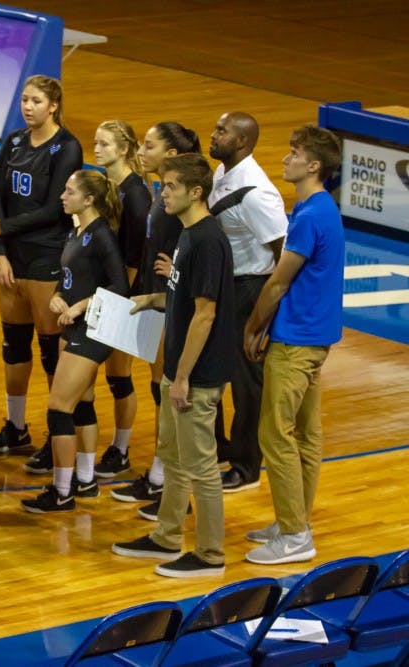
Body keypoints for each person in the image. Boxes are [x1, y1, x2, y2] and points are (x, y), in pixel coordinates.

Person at [111, 154, 234, 578]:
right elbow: (183, 298)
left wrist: (181, 377)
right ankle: (166, 535)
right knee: (174, 458)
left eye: (171, 187)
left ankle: (210, 555)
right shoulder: (186, 234)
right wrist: (151, 299)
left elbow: (206, 314)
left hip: (195, 377)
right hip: (176, 372)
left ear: (195, 192)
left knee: (201, 465)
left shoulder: (207, 240)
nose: (163, 193)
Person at [242, 126, 344, 565]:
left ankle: (295, 535)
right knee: (306, 434)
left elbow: (278, 282)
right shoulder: (321, 209)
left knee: (275, 433)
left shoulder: (307, 217)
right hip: (316, 337)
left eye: (294, 153)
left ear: (314, 165)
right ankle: (293, 520)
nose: (285, 159)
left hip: (296, 340)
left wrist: (251, 328)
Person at [0, 75, 83, 457]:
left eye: (36, 101)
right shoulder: (12, 141)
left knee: (49, 349)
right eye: (24, 100)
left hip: (45, 255)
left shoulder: (66, 148)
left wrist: (2, 228)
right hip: (13, 258)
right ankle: (16, 426)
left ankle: (54, 432)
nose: (28, 107)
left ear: (53, 106)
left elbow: (54, 209)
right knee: (14, 345)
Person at [20, 170, 128, 512]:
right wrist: (56, 296)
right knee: (81, 401)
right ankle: (86, 480)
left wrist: (81, 305)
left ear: (89, 199)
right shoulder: (75, 231)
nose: (62, 196)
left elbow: (119, 287)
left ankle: (62, 491)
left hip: (93, 329)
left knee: (58, 408)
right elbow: (70, 279)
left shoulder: (102, 236)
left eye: (69, 191)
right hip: (73, 326)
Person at [109, 122, 202, 517]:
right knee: (156, 392)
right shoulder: (158, 193)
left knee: (170, 397)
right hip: (153, 299)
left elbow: (202, 239)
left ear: (172, 156)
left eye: (149, 146)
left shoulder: (180, 201)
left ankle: (174, 487)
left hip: (171, 305)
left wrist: (176, 267)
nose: (141, 152)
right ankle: (160, 475)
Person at [208, 111, 288, 492]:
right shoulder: (222, 173)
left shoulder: (257, 193)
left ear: (240, 142)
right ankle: (222, 446)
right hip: (227, 286)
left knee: (246, 384)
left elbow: (283, 252)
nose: (214, 134)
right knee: (214, 371)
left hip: (250, 289)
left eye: (221, 131)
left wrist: (264, 316)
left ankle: (246, 465)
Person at [90, 120, 152, 479]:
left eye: (105, 144)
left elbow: (133, 255)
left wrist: (119, 301)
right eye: (96, 143)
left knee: (119, 374)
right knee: (110, 374)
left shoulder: (136, 193)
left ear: (124, 149)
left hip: (125, 294)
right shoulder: (109, 185)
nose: (97, 149)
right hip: (107, 290)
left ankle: (121, 449)